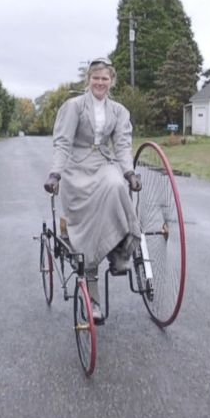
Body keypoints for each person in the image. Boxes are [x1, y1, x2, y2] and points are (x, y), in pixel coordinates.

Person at [43, 57, 141, 323]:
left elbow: (121, 145)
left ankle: (121, 250)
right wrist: (55, 174)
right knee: (89, 224)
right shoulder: (73, 107)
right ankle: (93, 293)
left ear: (111, 82)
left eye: (105, 79)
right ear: (88, 80)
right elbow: (63, 144)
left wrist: (129, 172)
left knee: (116, 184)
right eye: (95, 78)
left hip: (102, 163)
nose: (100, 83)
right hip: (76, 170)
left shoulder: (119, 111)